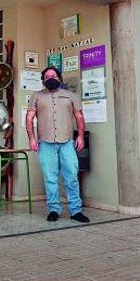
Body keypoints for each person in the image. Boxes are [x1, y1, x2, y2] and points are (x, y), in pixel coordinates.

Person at [26, 66, 89, 223]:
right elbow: (29, 118)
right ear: (43, 80)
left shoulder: (71, 96)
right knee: (50, 178)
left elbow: (79, 117)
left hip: (67, 142)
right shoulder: (37, 96)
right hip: (45, 143)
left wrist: (80, 137)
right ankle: (54, 209)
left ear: (60, 78)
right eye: (46, 76)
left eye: (53, 75)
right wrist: (31, 138)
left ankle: (76, 211)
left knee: (71, 176)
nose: (50, 78)